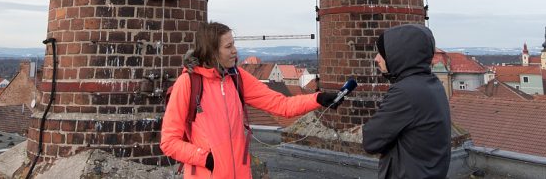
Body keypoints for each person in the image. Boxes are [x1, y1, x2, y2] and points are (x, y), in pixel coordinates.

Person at [160, 21, 340, 178]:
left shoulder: (236, 77)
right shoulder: (189, 83)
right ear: (212, 52)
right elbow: (169, 142)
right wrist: (206, 159)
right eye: (228, 46)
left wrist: (319, 98)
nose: (234, 51)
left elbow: (281, 105)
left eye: (234, 44)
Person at [362, 24, 452, 179]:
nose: (376, 59)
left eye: (382, 53)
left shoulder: (405, 92)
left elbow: (371, 141)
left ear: (399, 54)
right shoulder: (431, 83)